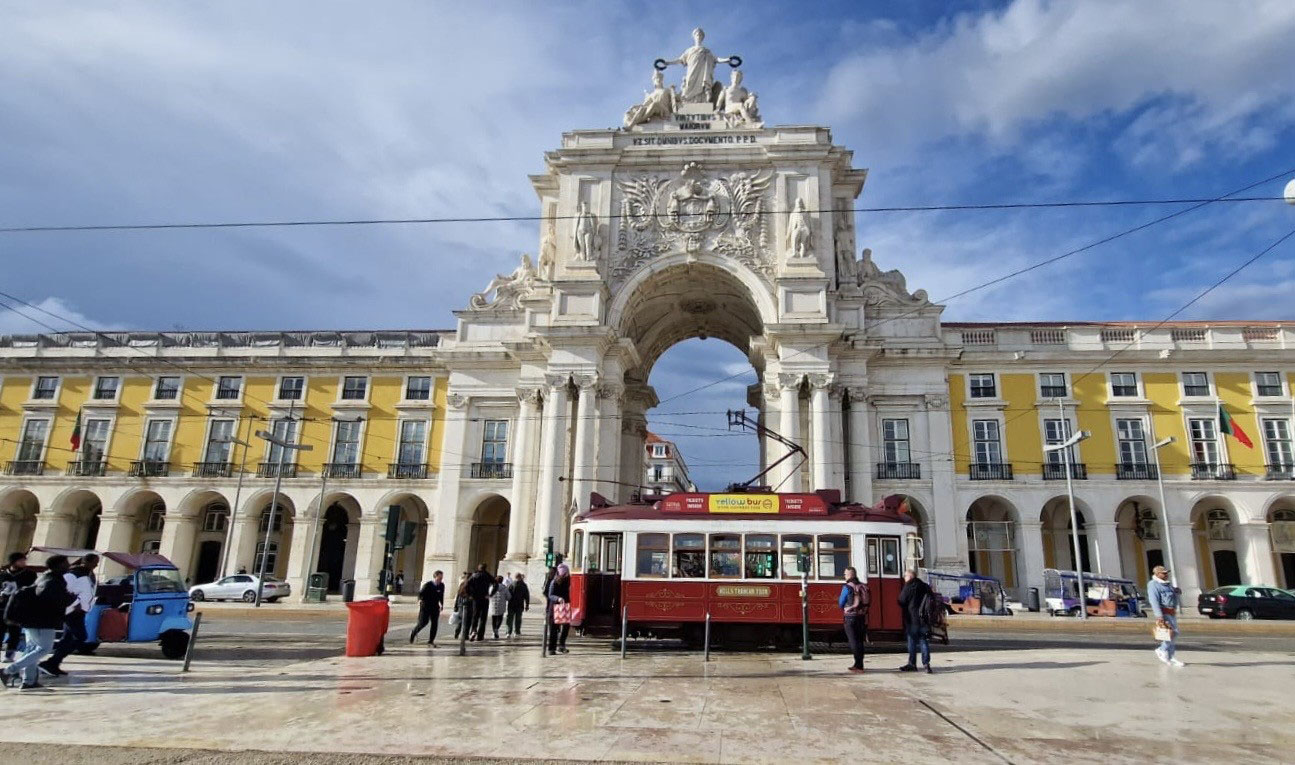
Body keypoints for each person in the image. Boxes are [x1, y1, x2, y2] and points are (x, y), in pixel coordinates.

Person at [2, 554, 73, 690]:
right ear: (58, 566)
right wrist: (69, 598)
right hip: (43, 621)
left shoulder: (44, 578)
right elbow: (49, 600)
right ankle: (8, 671)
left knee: (32, 649)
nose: (68, 566)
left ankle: (29, 681)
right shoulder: (52, 581)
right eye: (66, 563)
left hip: (34, 620)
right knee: (44, 648)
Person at [40, 553, 99, 678]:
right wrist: (76, 603)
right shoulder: (73, 574)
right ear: (86, 561)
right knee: (80, 636)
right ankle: (51, 662)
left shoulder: (88, 574)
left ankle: (53, 664)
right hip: (72, 611)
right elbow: (63, 590)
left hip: (80, 612)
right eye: (95, 562)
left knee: (68, 638)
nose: (96, 564)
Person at [1, 552, 37, 662]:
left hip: (17, 608)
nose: (24, 563)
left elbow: (32, 590)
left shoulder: (29, 575)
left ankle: (9, 655)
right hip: (2, 607)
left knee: (14, 632)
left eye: (24, 561)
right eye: (21, 561)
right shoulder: (3, 575)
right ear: (13, 562)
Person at [897, 569, 934, 674]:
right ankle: (926, 664)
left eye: (905, 576)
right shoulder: (925, 586)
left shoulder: (909, 586)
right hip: (924, 619)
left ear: (910, 577)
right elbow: (932, 599)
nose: (904, 578)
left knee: (912, 641)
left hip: (912, 619)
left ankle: (912, 664)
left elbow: (901, 600)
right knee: (923, 640)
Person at [1147, 565, 1184, 667]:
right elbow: (1154, 600)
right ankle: (1161, 650)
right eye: (1164, 573)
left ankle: (1170, 657)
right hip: (1164, 612)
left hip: (1171, 612)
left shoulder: (1167, 584)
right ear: (1157, 574)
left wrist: (1176, 591)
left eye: (1167, 573)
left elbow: (1170, 594)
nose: (1166, 574)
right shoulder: (1153, 584)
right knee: (1173, 633)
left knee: (1170, 635)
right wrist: (1159, 616)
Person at [837, 566, 870, 673]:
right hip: (861, 617)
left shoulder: (847, 587)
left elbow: (841, 603)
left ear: (850, 575)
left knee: (853, 641)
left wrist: (846, 608)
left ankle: (858, 666)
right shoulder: (863, 586)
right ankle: (859, 664)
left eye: (845, 574)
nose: (844, 576)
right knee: (860, 641)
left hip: (850, 617)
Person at [410, 570, 445, 647]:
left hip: (435, 607)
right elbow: (420, 594)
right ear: (435, 577)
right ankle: (414, 632)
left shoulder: (442, 585)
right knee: (423, 622)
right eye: (439, 578)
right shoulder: (428, 585)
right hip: (426, 606)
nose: (440, 579)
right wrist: (420, 600)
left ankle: (431, 641)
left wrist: (442, 604)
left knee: (435, 623)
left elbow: (441, 595)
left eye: (441, 578)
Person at [547, 563, 572, 655]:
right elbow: (550, 595)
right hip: (555, 607)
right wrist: (558, 598)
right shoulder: (554, 582)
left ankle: (561, 645)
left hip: (565, 606)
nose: (565, 575)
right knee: (554, 628)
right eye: (563, 574)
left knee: (566, 627)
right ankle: (551, 648)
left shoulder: (568, 581)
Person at [466, 564, 494, 642]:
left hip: (476, 598)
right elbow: (496, 584)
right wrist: (491, 594)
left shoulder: (474, 575)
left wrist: (470, 595)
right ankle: (480, 636)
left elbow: (466, 585)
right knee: (483, 618)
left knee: (475, 616)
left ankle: (473, 630)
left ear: (479, 568)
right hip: (485, 598)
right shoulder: (488, 576)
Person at [506, 573, 530, 638]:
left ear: (515, 577)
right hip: (519, 604)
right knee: (518, 619)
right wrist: (527, 605)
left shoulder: (511, 584)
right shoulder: (524, 585)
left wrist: (507, 600)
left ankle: (508, 632)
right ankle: (517, 632)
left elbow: (508, 594)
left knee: (510, 619)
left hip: (511, 604)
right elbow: (527, 596)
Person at [489, 575, 510, 639]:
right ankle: (496, 629)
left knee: (494, 619)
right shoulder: (505, 588)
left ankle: (494, 632)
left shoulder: (491, 587)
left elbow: (489, 594)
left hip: (493, 605)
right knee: (500, 619)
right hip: (501, 606)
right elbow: (509, 597)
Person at [451, 573, 470, 640]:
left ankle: (457, 633)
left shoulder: (462, 584)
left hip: (460, 604)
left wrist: (456, 606)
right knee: (467, 620)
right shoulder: (470, 585)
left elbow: (458, 595)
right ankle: (465, 634)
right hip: (467, 604)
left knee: (461, 620)